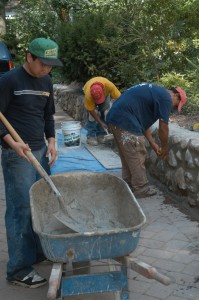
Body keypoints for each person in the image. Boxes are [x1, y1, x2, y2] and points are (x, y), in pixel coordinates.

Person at [0, 37, 63, 288]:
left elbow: (48, 114)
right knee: (20, 210)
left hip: (40, 150)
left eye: (50, 66)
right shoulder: (9, 81)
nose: (46, 69)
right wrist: (10, 142)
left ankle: (37, 252)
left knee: (41, 203)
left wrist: (52, 139)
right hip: (18, 154)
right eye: (43, 64)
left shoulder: (46, 81)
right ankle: (18, 268)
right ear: (29, 57)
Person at [106, 83, 187, 198]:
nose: (172, 109)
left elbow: (143, 124)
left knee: (128, 154)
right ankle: (140, 188)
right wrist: (164, 148)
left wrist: (153, 144)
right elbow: (163, 127)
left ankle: (128, 183)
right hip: (125, 120)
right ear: (176, 95)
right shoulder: (165, 98)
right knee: (137, 152)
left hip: (116, 118)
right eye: (175, 106)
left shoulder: (155, 93)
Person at [83, 76, 121, 146]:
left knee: (105, 112)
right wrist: (100, 123)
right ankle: (91, 136)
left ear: (103, 89)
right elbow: (91, 111)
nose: (98, 102)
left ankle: (101, 134)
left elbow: (119, 100)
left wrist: (114, 114)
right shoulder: (89, 95)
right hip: (91, 95)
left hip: (105, 95)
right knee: (91, 116)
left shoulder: (109, 85)